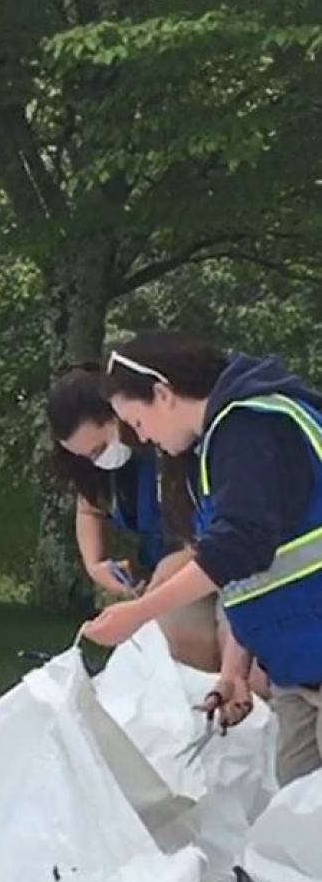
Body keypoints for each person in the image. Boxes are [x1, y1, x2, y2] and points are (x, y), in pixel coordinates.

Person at [82, 329, 322, 786]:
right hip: (299, 672)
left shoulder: (250, 429)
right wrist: (235, 669)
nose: (142, 437)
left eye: (137, 421)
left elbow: (238, 547)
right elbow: (256, 572)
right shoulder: (218, 446)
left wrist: (138, 612)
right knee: (299, 831)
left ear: (162, 394)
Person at [47, 362, 220, 672]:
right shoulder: (100, 469)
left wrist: (161, 585)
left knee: (178, 640)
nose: (97, 460)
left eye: (100, 448)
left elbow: (214, 536)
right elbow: (89, 507)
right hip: (156, 575)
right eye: (86, 456)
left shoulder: (174, 445)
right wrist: (95, 564)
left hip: (212, 570)